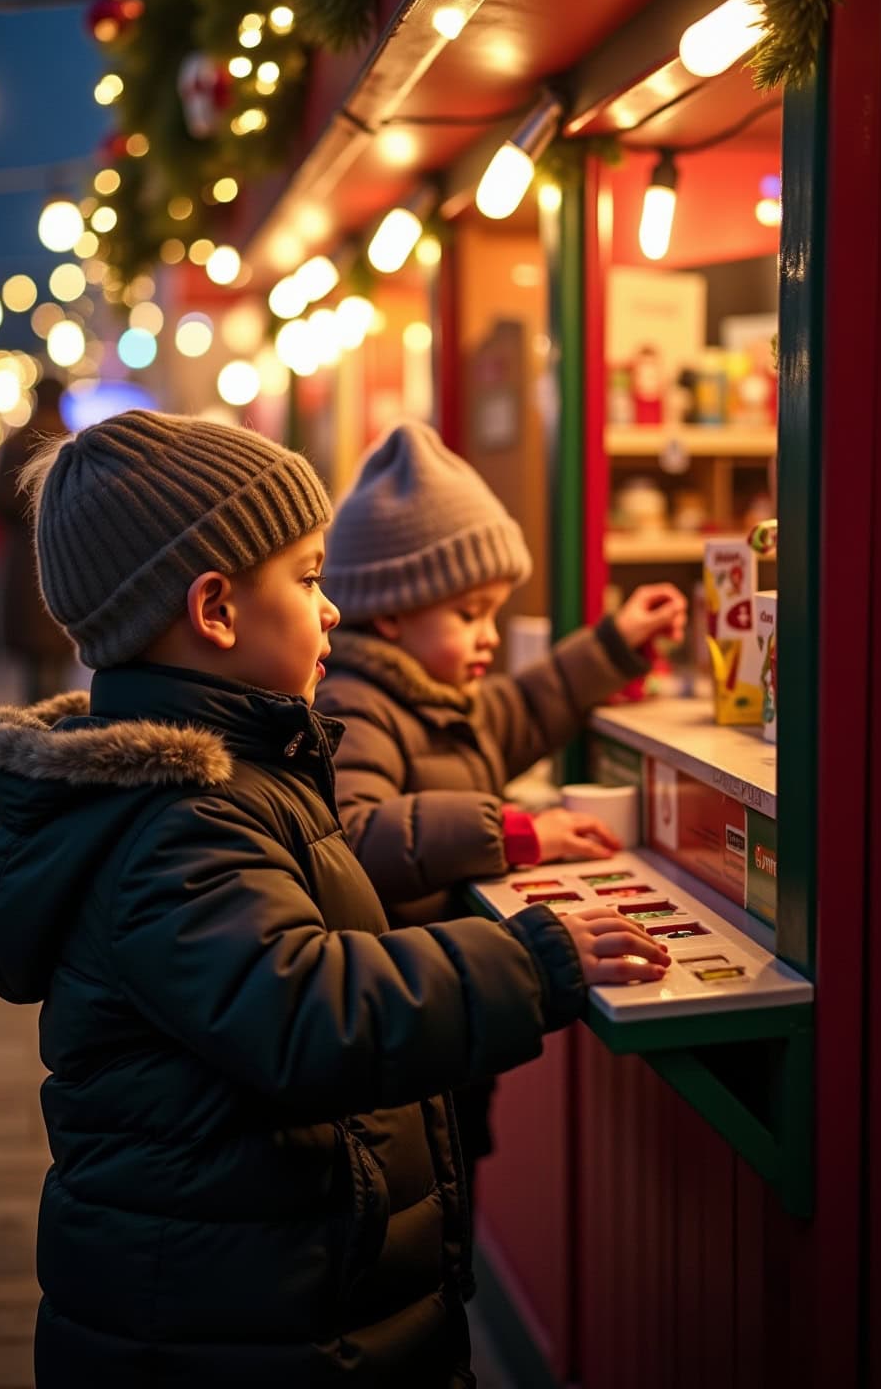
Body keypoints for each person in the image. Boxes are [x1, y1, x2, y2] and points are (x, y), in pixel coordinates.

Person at [0, 410, 669, 1388]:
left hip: (263, 1290)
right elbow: (302, 1009)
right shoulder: (179, 820)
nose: (331, 606)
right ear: (214, 611)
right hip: (243, 1322)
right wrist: (529, 961)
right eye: (305, 577)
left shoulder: (235, 779)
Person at [317, 421, 686, 1203]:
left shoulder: (436, 693)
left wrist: (615, 644)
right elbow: (354, 832)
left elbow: (523, 709)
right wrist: (515, 832)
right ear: (391, 613)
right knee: (426, 1192)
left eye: (492, 613)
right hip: (408, 1015)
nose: (488, 637)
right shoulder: (358, 702)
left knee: (453, 1178)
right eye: (469, 615)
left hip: (446, 1022)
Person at [0, 376, 72, 703]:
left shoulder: (17, 442)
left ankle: (37, 727)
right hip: (68, 561)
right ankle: (61, 726)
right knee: (60, 655)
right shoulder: (72, 441)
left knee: (33, 667)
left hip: (26, 562)